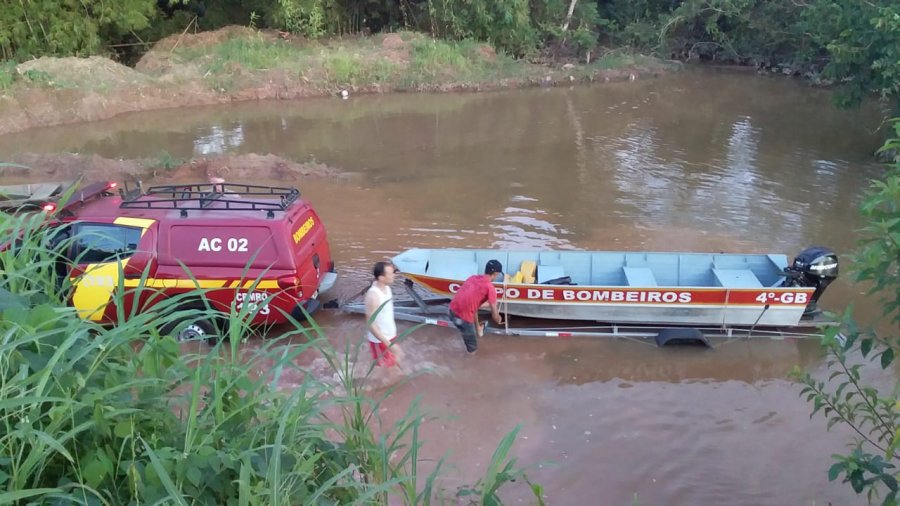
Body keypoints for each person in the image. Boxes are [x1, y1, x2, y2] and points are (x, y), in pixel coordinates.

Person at [448, 259, 504, 354]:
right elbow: (495, 317)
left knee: (466, 326)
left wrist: (477, 327)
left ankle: (477, 328)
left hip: (451, 311)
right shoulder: (490, 288)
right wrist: (499, 319)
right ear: (496, 274)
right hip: (463, 319)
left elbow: (473, 303)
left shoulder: (472, 278)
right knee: (473, 350)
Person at [365, 261, 403, 367]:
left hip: (390, 335)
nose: (394, 275)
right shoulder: (373, 296)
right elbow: (370, 324)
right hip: (380, 340)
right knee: (383, 371)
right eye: (390, 274)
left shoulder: (387, 288)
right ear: (381, 278)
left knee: (395, 363)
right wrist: (387, 343)